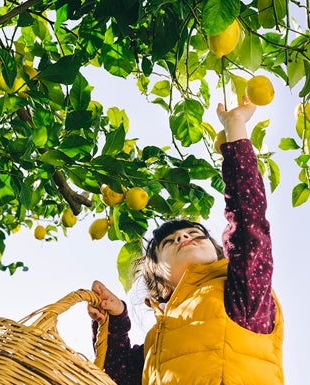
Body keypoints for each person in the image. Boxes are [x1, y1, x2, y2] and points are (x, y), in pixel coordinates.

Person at [87, 97, 284, 385]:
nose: (183, 236)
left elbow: (249, 221)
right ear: (157, 282)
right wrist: (114, 322)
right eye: (169, 243)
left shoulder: (240, 295)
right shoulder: (158, 341)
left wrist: (235, 127)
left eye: (196, 235)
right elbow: (114, 376)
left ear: (221, 254)